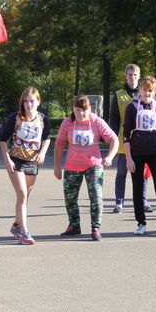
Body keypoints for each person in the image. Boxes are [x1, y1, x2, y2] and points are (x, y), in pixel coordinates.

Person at [53, 95, 120, 241]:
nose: (81, 114)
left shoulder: (96, 122)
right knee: (70, 197)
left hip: (93, 165)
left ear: (90, 109)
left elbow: (114, 139)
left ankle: (95, 228)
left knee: (96, 194)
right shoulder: (67, 123)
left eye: (85, 110)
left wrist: (109, 157)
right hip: (72, 165)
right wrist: (57, 166)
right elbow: (59, 144)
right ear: (73, 109)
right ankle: (74, 225)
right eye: (78, 110)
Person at [0, 87, 51, 245]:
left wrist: (42, 153)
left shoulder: (43, 119)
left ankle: (16, 224)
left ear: (38, 102)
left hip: (32, 162)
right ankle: (24, 232)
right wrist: (7, 160)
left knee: (25, 197)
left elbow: (47, 138)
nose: (29, 104)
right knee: (21, 194)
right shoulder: (15, 118)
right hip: (16, 161)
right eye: (26, 101)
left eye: (32, 101)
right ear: (22, 103)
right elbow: (2, 140)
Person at [124, 76, 156, 237]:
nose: (147, 93)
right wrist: (129, 158)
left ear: (154, 91)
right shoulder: (131, 108)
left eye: (150, 90)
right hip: (137, 152)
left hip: (155, 151)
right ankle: (141, 223)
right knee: (137, 189)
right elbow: (126, 135)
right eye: (144, 90)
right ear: (140, 90)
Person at [108, 63, 151, 214]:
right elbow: (113, 118)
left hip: (141, 140)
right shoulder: (119, 94)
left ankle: (143, 201)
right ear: (125, 76)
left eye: (135, 75)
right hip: (122, 139)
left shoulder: (144, 94)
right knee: (121, 173)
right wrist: (112, 138)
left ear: (139, 77)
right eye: (129, 75)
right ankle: (119, 202)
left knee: (142, 173)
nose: (132, 77)